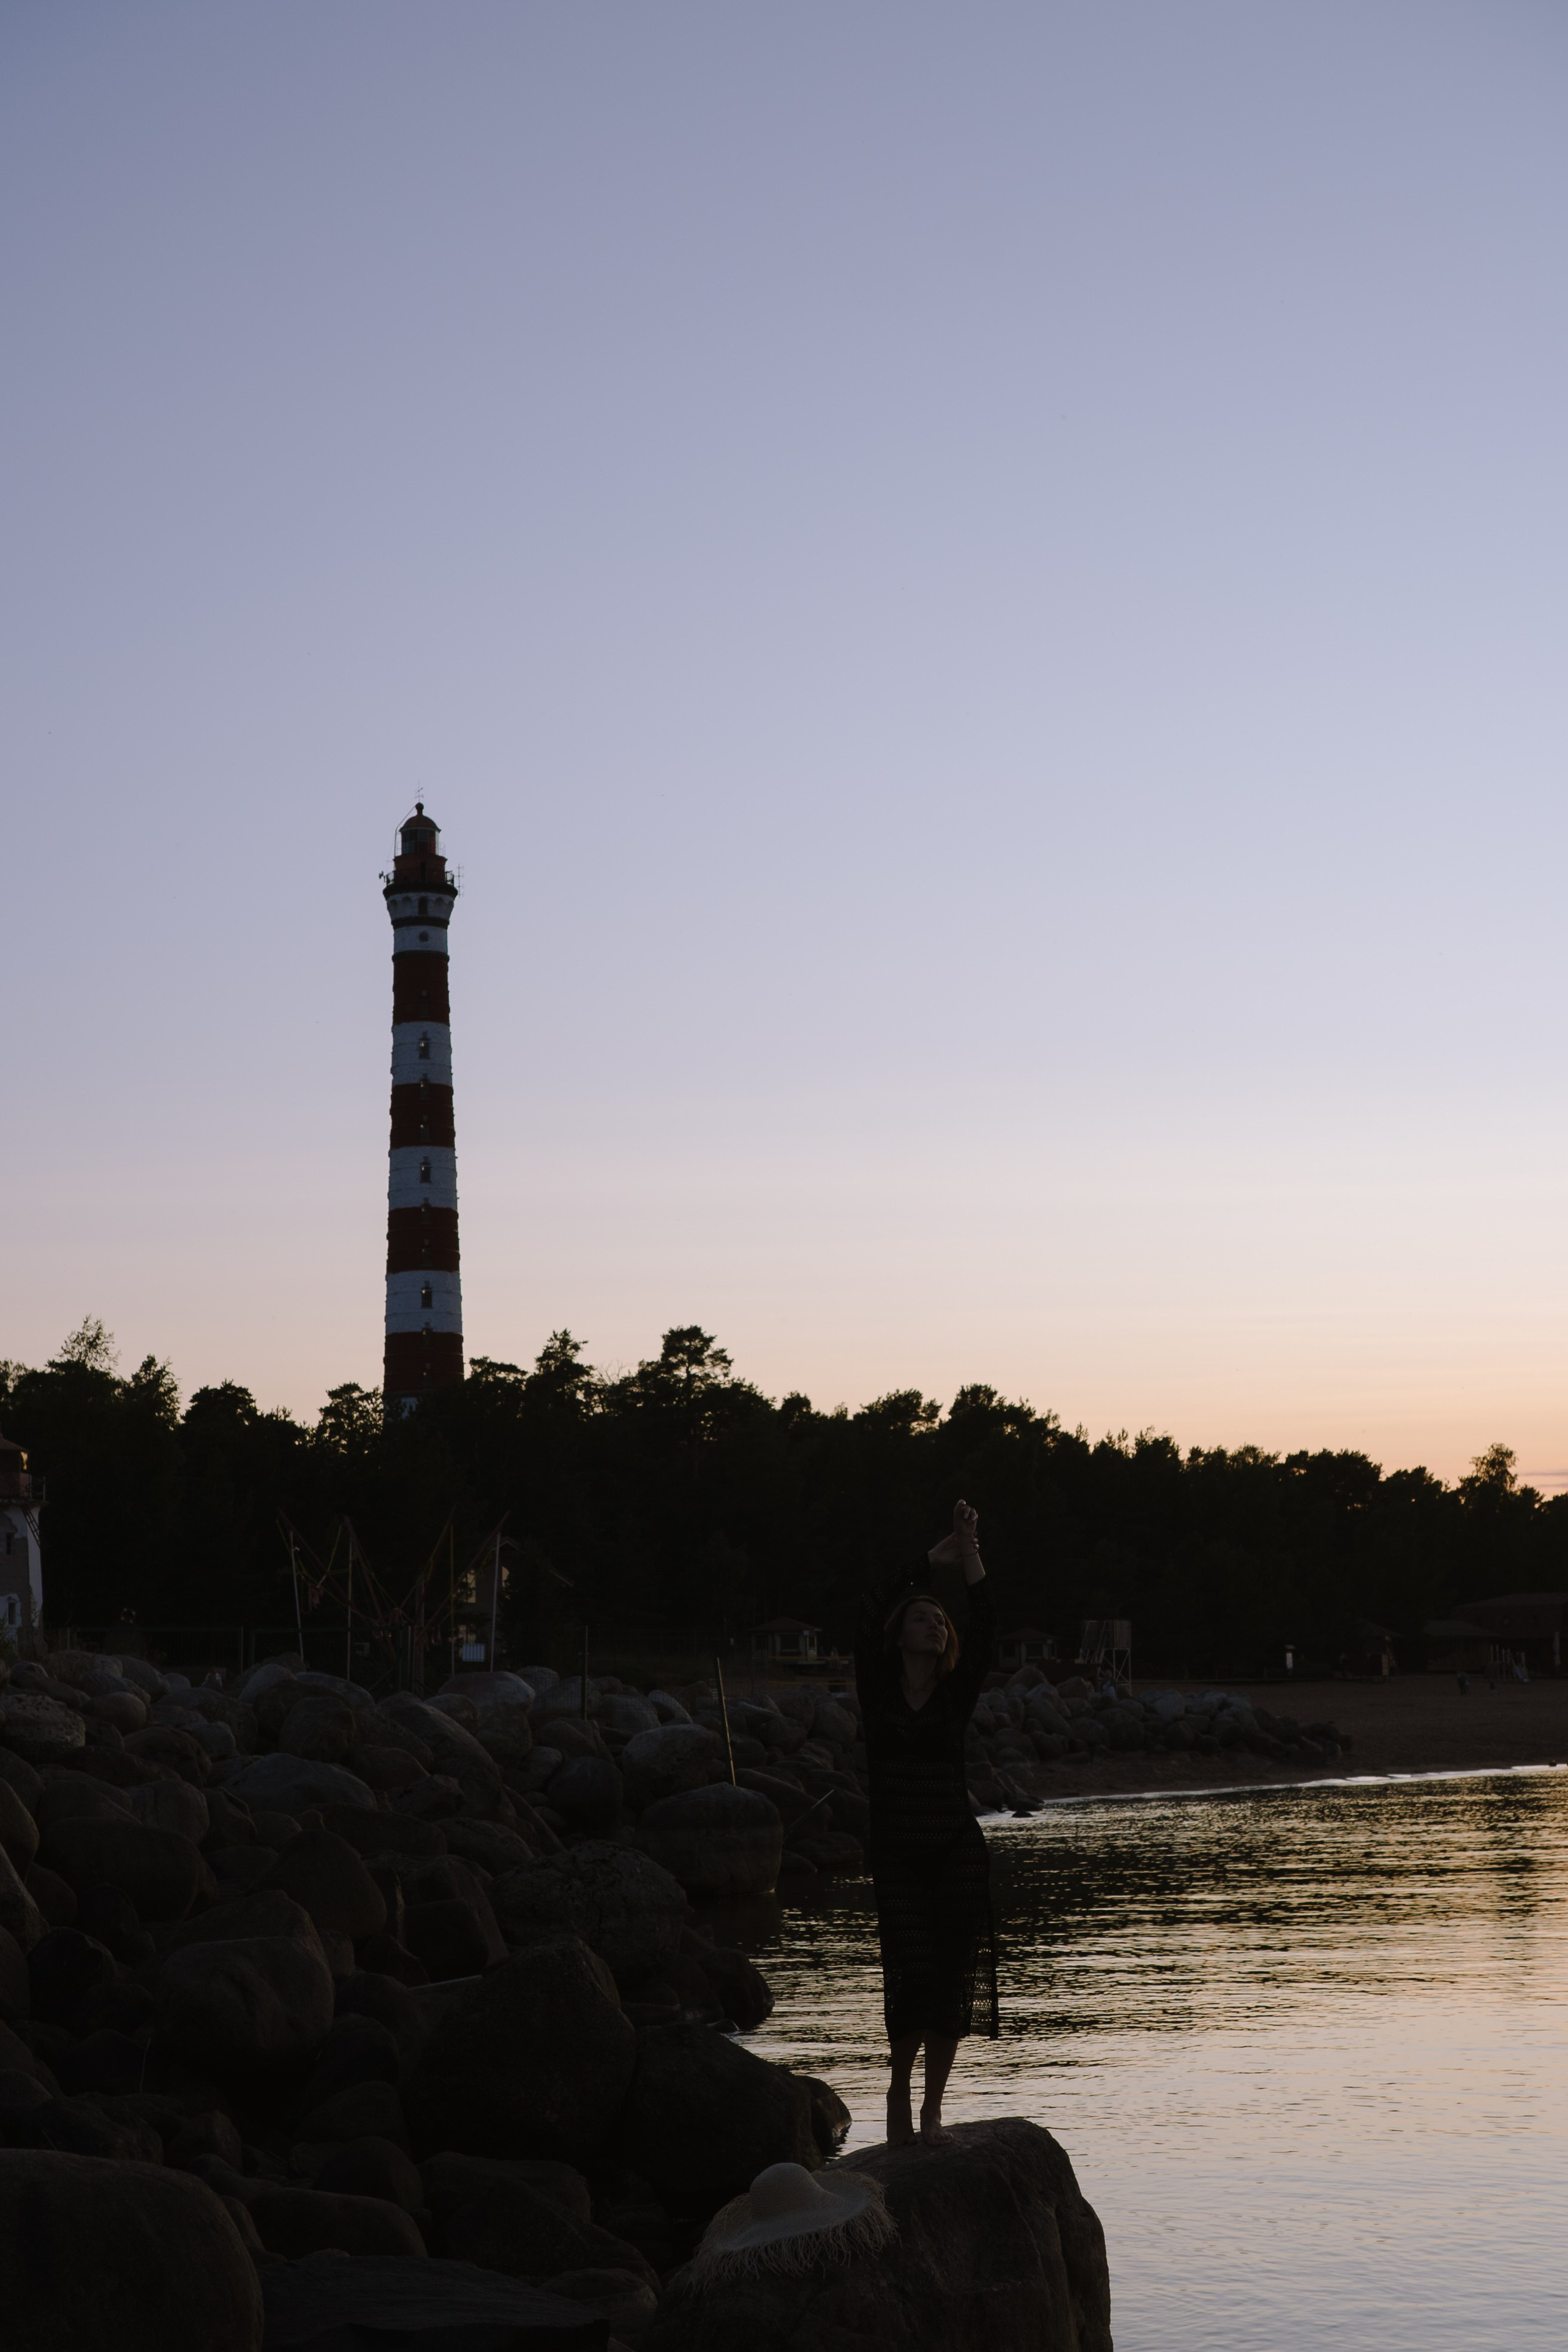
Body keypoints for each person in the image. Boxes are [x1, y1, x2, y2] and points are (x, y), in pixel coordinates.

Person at [853, 1498, 997, 2150]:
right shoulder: (876, 1688)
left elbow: (987, 1625)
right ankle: (897, 2088)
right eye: (922, 1616)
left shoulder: (955, 1694)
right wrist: (930, 1561)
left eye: (940, 1619)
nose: (935, 1625)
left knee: (949, 1984)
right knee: (909, 1973)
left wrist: (970, 1557)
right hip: (898, 1854)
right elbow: (862, 1608)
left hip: (955, 1850)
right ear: (901, 1634)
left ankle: (933, 2109)